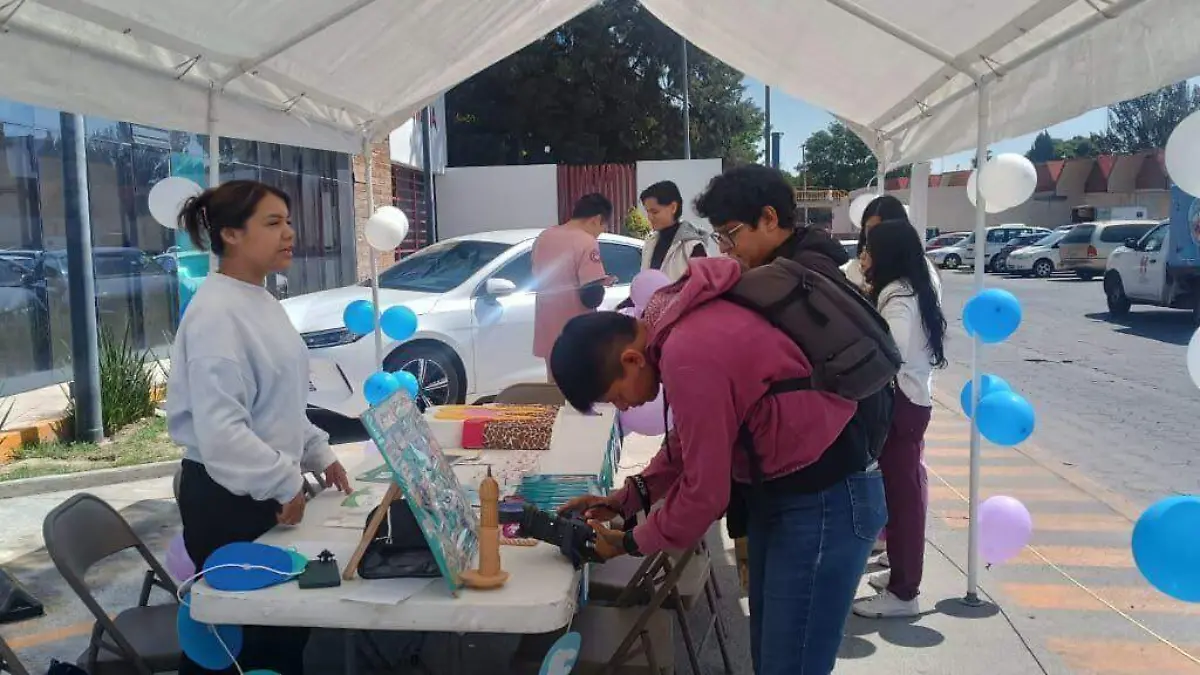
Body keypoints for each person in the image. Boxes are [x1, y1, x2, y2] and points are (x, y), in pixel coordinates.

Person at [554, 165, 888, 675]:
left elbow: (705, 493)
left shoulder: (687, 352)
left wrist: (628, 542)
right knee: (774, 657)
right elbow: (692, 442)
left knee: (788, 664)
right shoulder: (669, 321)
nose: (623, 409)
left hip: (826, 499)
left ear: (630, 360)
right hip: (795, 494)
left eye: (615, 398)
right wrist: (629, 499)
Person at [166, 180, 352, 675]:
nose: (289, 233)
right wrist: (286, 481)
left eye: (287, 221)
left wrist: (319, 453)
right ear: (231, 234)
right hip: (229, 499)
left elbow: (280, 401)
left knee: (282, 634)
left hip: (262, 487)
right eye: (273, 223)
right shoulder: (215, 314)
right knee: (244, 644)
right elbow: (223, 432)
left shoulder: (260, 299)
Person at [852, 218, 947, 619]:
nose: (864, 256)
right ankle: (900, 578)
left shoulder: (897, 295)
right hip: (912, 402)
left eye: (870, 248)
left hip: (902, 406)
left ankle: (905, 592)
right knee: (900, 498)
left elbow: (891, 351)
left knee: (903, 502)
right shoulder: (912, 285)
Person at [531, 193, 614, 382]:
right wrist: (601, 284)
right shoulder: (586, 242)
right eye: (602, 228)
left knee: (555, 394)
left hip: (547, 332)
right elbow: (591, 296)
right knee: (579, 397)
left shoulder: (544, 236)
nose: (598, 234)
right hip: (576, 335)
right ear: (597, 220)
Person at [638, 180, 715, 280]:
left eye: (655, 212)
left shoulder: (692, 246)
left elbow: (704, 286)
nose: (649, 217)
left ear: (673, 207)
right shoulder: (650, 242)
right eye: (647, 212)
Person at [843, 194, 909, 290]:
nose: (875, 235)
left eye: (881, 229)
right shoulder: (854, 270)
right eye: (870, 229)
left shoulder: (911, 275)